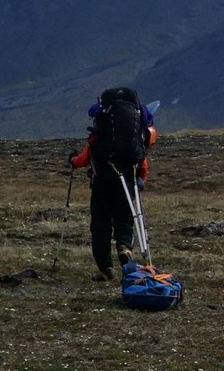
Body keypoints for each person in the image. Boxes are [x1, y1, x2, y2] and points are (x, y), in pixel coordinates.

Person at [67, 86, 157, 279]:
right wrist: (141, 180)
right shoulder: (134, 139)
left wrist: (72, 160)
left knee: (100, 225)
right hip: (127, 182)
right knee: (124, 220)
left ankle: (105, 268)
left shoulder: (99, 136)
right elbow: (142, 163)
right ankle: (124, 247)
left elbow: (82, 160)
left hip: (102, 183)